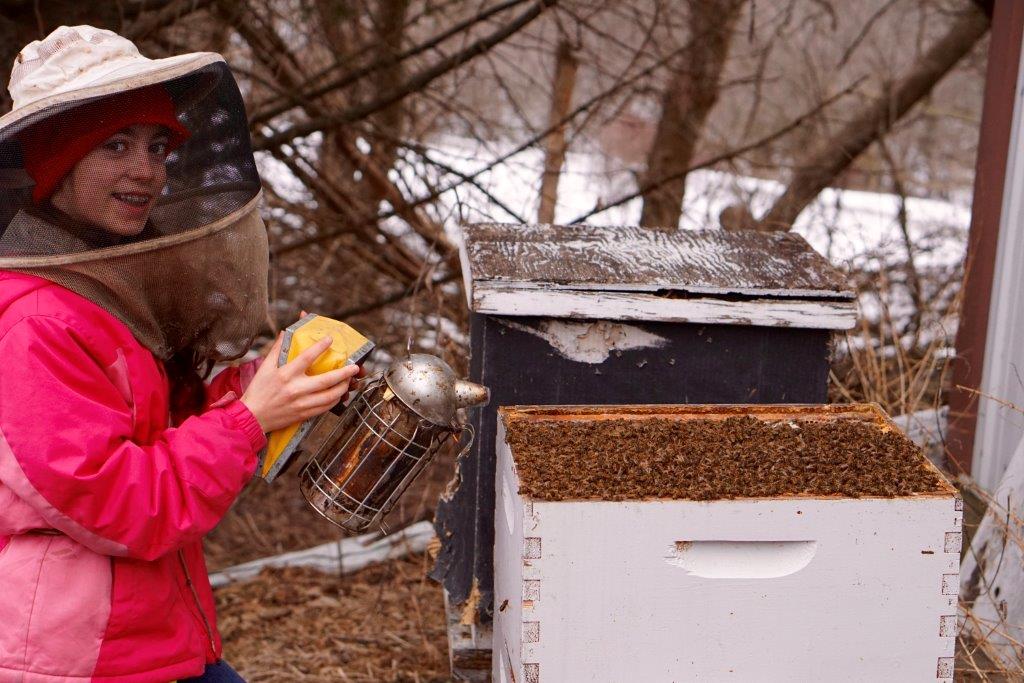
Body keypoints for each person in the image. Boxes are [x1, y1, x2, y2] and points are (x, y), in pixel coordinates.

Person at [0, 26, 358, 682]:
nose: (146, 169)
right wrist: (249, 418)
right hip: (77, 660)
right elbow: (122, 501)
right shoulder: (35, 325)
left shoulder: (98, 294)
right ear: (56, 161)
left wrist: (269, 383)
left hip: (151, 637)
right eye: (115, 145)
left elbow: (157, 432)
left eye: (157, 146)